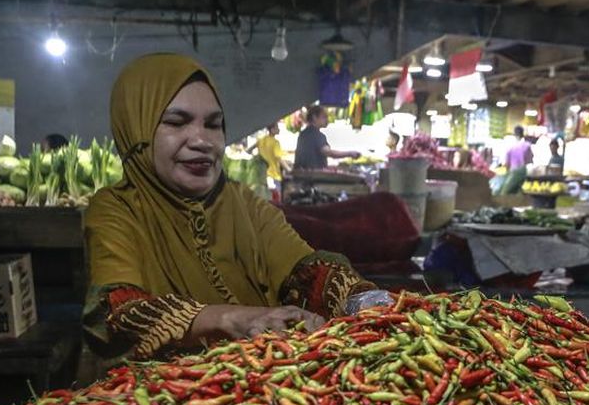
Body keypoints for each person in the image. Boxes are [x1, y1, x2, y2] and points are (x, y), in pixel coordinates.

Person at [83, 54, 389, 360]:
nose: (202, 140)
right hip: (162, 397)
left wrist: (363, 299)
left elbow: (307, 272)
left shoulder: (243, 203)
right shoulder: (115, 210)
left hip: (260, 386)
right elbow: (119, 312)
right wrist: (233, 319)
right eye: (176, 122)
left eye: (214, 125)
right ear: (136, 131)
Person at [293, 105, 359, 170]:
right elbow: (329, 152)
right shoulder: (317, 135)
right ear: (314, 117)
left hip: (301, 174)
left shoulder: (303, 134)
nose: (327, 120)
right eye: (324, 117)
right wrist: (350, 153)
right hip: (313, 177)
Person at [497, 126, 533, 195]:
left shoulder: (510, 147)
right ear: (523, 134)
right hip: (524, 173)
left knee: (508, 193)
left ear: (514, 134)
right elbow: (530, 162)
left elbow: (507, 164)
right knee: (521, 193)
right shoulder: (527, 146)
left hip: (513, 173)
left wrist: (508, 173)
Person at [256, 123, 289, 191]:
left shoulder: (261, 140)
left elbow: (248, 150)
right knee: (277, 198)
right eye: (277, 127)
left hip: (263, 175)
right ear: (272, 130)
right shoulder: (275, 142)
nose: (279, 129)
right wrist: (288, 169)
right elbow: (279, 158)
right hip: (274, 175)